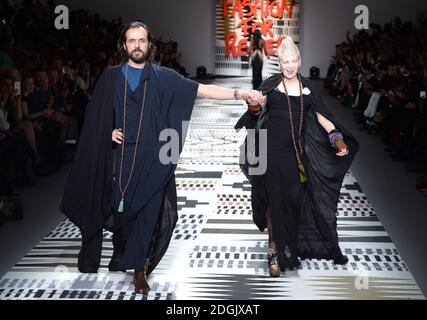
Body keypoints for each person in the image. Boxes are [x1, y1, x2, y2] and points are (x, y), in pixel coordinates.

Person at [60, 21, 254, 294]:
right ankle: (123, 256)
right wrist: (107, 132)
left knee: (149, 211)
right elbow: (96, 116)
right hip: (123, 157)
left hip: (154, 157)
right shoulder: (110, 77)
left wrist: (238, 93)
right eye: (131, 40)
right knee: (122, 209)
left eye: (142, 40)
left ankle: (139, 269)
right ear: (124, 45)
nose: (137, 45)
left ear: (149, 45)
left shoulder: (164, 77)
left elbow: (201, 90)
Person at [236, 36, 359, 277]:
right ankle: (274, 249)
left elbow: (323, 117)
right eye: (285, 62)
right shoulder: (271, 85)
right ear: (279, 63)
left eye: (293, 61)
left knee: (293, 201)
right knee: (274, 202)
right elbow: (257, 110)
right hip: (270, 154)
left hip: (296, 156)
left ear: (300, 61)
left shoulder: (308, 89)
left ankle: (287, 246)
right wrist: (254, 105)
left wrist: (337, 138)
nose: (289, 66)